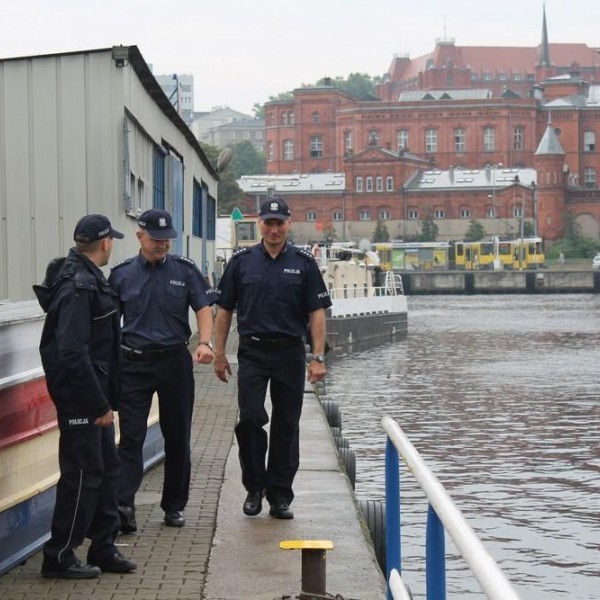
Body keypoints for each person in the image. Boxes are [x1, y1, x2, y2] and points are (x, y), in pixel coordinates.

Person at [213, 197, 332, 520]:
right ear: (260, 224)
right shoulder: (241, 262)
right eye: (269, 223)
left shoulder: (304, 264)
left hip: (289, 352)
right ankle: (254, 487)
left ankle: (280, 495)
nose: (274, 229)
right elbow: (224, 310)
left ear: (289, 224)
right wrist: (219, 353)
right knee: (250, 418)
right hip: (252, 351)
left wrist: (317, 357)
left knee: (286, 424)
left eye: (280, 223)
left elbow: (316, 312)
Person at [33, 214, 136, 579]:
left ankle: (103, 547)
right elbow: (72, 352)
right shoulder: (77, 285)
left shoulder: (90, 279)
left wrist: (107, 401)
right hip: (83, 399)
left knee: (108, 471)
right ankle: (59, 555)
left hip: (97, 397)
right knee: (82, 475)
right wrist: (96, 404)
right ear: (106, 243)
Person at [108, 209, 218, 532]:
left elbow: (203, 307)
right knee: (131, 437)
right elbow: (109, 324)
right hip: (134, 363)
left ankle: (173, 506)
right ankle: (123, 505)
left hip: (174, 362)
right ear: (140, 236)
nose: (163, 245)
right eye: (156, 240)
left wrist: (206, 343)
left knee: (178, 436)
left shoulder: (184, 271)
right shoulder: (122, 275)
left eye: (167, 239)